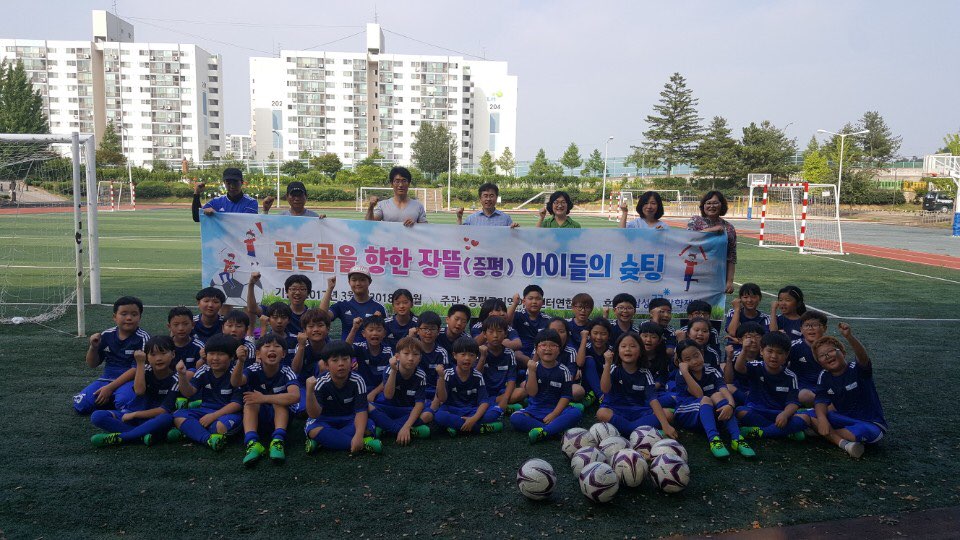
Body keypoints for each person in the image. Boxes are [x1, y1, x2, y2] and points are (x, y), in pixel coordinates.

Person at [797, 323, 886, 459]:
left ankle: (824, 434)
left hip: (869, 423)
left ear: (843, 353)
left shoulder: (857, 369)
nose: (827, 356)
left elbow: (863, 357)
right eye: (822, 355)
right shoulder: (824, 375)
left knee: (859, 432)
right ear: (820, 363)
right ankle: (843, 443)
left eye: (831, 351)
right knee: (812, 415)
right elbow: (820, 400)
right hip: (842, 418)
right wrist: (822, 419)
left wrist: (849, 337)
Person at [89, 336, 179, 447]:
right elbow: (139, 391)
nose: (158, 358)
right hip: (132, 414)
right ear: (147, 357)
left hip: (151, 419)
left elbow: (164, 410)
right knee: (97, 416)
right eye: (153, 355)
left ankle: (123, 437)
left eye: (163, 353)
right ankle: (142, 435)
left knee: (166, 418)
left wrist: (135, 414)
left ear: (173, 354)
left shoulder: (176, 378)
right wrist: (140, 364)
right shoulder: (144, 370)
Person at [672, 339, 755, 459]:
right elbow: (699, 394)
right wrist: (684, 371)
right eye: (688, 359)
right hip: (686, 413)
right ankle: (714, 440)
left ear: (702, 353)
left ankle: (736, 439)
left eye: (696, 356)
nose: (695, 361)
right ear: (681, 362)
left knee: (717, 395)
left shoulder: (712, 371)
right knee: (706, 398)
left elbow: (724, 390)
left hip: (709, 415)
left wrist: (730, 405)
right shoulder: (682, 375)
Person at [231, 333, 300, 466]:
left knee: (279, 401)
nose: (272, 349)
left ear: (284, 354)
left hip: (281, 418)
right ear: (258, 354)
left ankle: (278, 441)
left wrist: (264, 398)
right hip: (259, 418)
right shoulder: (253, 369)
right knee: (250, 402)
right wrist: (240, 361)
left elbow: (295, 396)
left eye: (277, 346)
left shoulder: (287, 371)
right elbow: (236, 382)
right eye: (267, 346)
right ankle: (252, 442)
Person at [74, 296, 150, 415]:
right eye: (124, 314)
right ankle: (111, 399)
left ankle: (115, 399)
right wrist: (93, 347)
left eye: (134, 314)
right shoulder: (107, 335)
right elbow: (92, 364)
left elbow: (136, 370)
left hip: (130, 380)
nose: (129, 318)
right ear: (114, 317)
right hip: (106, 378)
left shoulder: (143, 338)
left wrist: (110, 388)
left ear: (140, 317)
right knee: (81, 404)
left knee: (125, 403)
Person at [304, 340, 382, 454]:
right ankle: (364, 444)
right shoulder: (321, 382)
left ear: (351, 361)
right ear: (326, 365)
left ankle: (325, 442)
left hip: (349, 419)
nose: (341, 363)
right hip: (325, 420)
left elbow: (361, 411)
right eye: (335, 360)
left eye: (345, 359)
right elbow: (314, 415)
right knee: (313, 430)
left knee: (369, 424)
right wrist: (309, 393)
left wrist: (359, 435)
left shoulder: (358, 380)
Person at [170, 334, 244, 451]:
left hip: (227, 414)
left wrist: (214, 416)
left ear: (231, 357)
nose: (215, 358)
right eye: (211, 353)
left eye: (220, 354)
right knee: (178, 415)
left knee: (219, 427)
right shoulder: (204, 370)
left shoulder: (236, 374)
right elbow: (188, 393)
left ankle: (190, 432)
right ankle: (208, 439)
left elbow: (237, 404)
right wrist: (182, 375)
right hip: (205, 410)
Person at [509, 329, 583, 443]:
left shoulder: (564, 371)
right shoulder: (533, 368)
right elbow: (532, 393)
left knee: (576, 413)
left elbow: (566, 396)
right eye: (543, 345)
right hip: (535, 410)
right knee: (515, 417)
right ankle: (553, 431)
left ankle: (545, 431)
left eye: (553, 345)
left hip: (556, 410)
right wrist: (532, 371)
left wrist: (554, 414)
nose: (548, 349)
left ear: (559, 350)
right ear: (537, 349)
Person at [734, 332, 808, 442]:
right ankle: (785, 432)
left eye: (779, 353)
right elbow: (739, 368)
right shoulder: (755, 366)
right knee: (740, 411)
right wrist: (744, 350)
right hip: (757, 410)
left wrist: (785, 414)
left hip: (778, 414)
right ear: (761, 351)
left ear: (786, 355)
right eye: (770, 351)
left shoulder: (790, 376)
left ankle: (761, 432)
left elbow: (793, 402)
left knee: (805, 418)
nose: (774, 356)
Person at [596, 333, 673, 436]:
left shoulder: (645, 373)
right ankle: (639, 430)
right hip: (616, 409)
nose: (628, 349)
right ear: (617, 351)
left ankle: (628, 429)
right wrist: (608, 364)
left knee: (668, 414)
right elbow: (605, 389)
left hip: (639, 411)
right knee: (601, 413)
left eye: (632, 346)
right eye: (623, 346)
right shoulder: (613, 368)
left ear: (640, 351)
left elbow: (653, 399)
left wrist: (665, 425)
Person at [433, 337, 503, 436]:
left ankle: (457, 427)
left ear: (475, 358)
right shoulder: (447, 374)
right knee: (439, 416)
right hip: (453, 409)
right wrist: (440, 377)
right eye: (463, 354)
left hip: (471, 410)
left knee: (496, 411)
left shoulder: (477, 376)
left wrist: (473, 419)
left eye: (471, 355)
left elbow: (484, 402)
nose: (467, 358)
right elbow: (442, 399)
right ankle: (480, 428)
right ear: (454, 355)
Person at [368, 336, 432, 444]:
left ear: (420, 358)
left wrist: (406, 426)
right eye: (406, 354)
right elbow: (388, 396)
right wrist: (394, 371)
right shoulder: (389, 369)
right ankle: (407, 431)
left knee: (428, 415)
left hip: (407, 410)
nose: (411, 358)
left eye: (415, 354)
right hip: (387, 408)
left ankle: (384, 427)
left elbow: (419, 404)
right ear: (397, 356)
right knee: (366, 406)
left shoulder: (421, 375)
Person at [686, 191, 737, 294]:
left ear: (722, 205)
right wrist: (711, 230)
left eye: (715, 203)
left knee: (714, 309)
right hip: (696, 273)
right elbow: (688, 240)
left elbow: (731, 257)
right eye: (708, 203)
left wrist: (729, 281)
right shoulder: (695, 221)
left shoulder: (729, 228)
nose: (711, 206)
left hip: (717, 276)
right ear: (703, 206)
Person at [319, 268, 386, 341]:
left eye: (362, 280)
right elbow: (322, 316)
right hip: (346, 351)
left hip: (369, 352)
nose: (358, 283)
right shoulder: (343, 304)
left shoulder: (379, 307)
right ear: (349, 282)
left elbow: (385, 333)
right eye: (354, 280)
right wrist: (330, 289)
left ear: (369, 282)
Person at [475, 316, 523, 413]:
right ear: (484, 334)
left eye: (499, 331)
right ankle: (502, 408)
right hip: (482, 392)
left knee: (522, 392)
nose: (495, 335)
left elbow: (512, 379)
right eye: (491, 332)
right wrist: (483, 357)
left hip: (501, 392)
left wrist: (505, 398)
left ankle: (491, 406)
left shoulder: (509, 353)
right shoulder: (479, 351)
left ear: (505, 334)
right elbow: (475, 377)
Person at [410, 311, 449, 424]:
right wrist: (410, 338)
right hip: (413, 392)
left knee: (437, 412)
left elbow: (442, 381)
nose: (428, 332)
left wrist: (434, 403)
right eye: (425, 328)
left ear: (438, 331)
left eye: (432, 329)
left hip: (433, 393)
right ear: (418, 330)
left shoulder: (441, 353)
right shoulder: (412, 352)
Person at [290, 308, 331, 415]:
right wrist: (302, 347)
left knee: (323, 364)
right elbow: (295, 369)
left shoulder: (331, 346)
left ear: (328, 329)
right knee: (302, 410)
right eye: (311, 326)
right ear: (304, 330)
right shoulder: (301, 345)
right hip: (303, 384)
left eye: (320, 325)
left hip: (325, 384)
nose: (316, 329)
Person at [344, 315, 393, 401]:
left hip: (380, 391)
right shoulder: (360, 347)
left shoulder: (388, 351)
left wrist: (373, 393)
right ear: (363, 333)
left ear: (384, 334)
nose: (375, 333)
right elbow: (345, 349)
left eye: (379, 330)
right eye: (371, 330)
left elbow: (389, 377)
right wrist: (354, 329)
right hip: (360, 388)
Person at [787, 310, 830, 406]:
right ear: (801, 329)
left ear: (824, 328)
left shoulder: (831, 347)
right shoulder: (793, 346)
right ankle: (825, 406)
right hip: (803, 388)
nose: (811, 329)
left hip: (826, 387)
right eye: (807, 325)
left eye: (815, 325)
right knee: (803, 395)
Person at [246, 273, 312, 334]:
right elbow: (252, 309)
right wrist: (251, 284)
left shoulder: (311, 315)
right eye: (293, 289)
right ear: (286, 292)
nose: (297, 293)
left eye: (302, 289)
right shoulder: (277, 310)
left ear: (308, 293)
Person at [192, 167, 259, 222]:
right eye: (228, 183)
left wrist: (217, 215)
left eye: (235, 182)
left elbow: (246, 222)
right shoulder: (216, 202)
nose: (232, 186)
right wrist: (196, 193)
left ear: (242, 182)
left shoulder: (251, 203)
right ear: (224, 183)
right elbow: (197, 217)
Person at [507, 285, 552, 360]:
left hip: (540, 352)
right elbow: (506, 323)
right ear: (524, 301)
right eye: (530, 299)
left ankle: (532, 365)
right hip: (520, 352)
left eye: (538, 299)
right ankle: (532, 365)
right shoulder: (518, 315)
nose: (534, 302)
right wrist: (515, 304)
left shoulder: (548, 320)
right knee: (516, 354)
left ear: (543, 302)